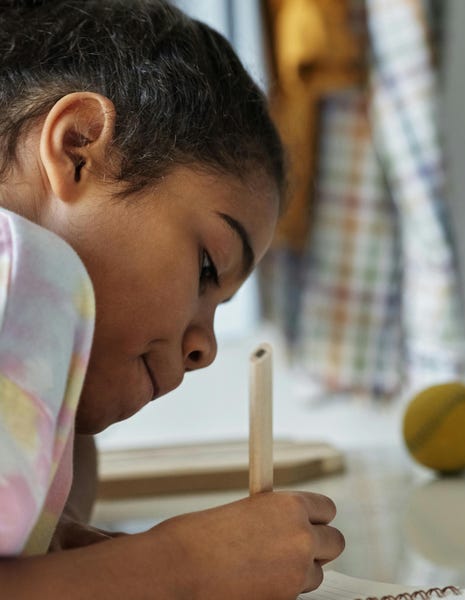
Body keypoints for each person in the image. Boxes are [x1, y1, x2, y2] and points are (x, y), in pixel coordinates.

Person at [0, 0, 345, 597]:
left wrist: (76, 563)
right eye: (208, 266)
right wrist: (177, 566)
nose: (205, 348)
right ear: (78, 147)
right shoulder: (23, 263)